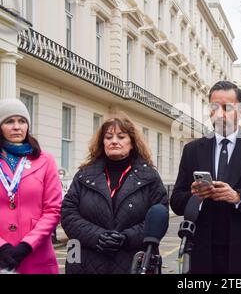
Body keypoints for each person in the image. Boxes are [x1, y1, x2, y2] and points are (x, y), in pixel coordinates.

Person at [170, 81, 241, 274]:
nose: (220, 114)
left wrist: (238, 197)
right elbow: (176, 202)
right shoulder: (193, 150)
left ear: (240, 111)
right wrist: (195, 197)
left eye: (227, 108)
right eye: (214, 107)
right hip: (203, 254)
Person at [61, 115, 168, 274]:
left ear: (132, 143)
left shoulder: (150, 177)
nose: (114, 141)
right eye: (108, 137)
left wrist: (126, 238)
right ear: (102, 143)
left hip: (134, 262)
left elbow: (159, 217)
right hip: (86, 262)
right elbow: (68, 214)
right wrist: (98, 236)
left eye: (121, 137)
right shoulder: (84, 175)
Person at [0, 99, 61, 274]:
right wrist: (2, 247)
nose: (17, 127)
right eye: (9, 121)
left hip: (36, 254)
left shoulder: (45, 160)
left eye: (22, 121)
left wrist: (27, 245)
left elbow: (53, 209)